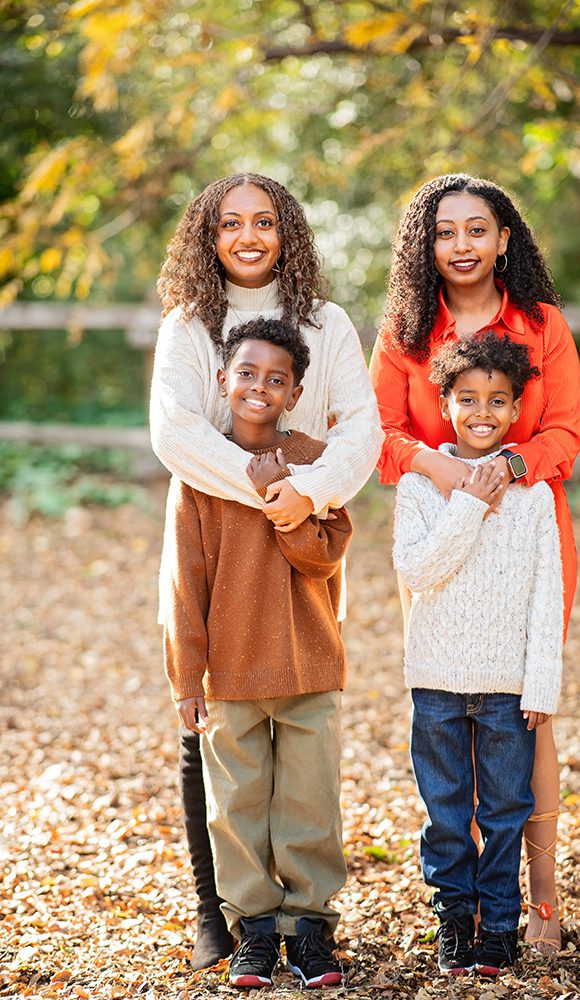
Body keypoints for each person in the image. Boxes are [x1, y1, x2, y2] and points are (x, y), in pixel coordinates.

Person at [151, 173, 383, 970]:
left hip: (300, 555)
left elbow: (360, 430)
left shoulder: (327, 323)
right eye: (229, 223)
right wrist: (261, 484)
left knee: (306, 779)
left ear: (288, 230)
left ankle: (307, 920)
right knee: (229, 769)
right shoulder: (190, 324)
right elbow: (175, 430)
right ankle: (235, 921)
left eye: (264, 221)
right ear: (207, 236)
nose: (247, 236)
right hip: (217, 538)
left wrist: (303, 493)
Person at [370, 173, 580, 953]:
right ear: (424, 245)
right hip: (437, 530)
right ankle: (462, 908)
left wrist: (508, 469)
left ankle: (541, 902)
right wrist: (445, 470)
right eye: (443, 232)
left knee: (528, 711)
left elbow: (563, 431)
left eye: (475, 230)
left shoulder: (540, 324)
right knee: (446, 714)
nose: (459, 245)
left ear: (502, 239)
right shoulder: (401, 330)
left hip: (526, 530)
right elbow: (382, 436)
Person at [163, 317, 352, 989]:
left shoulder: (315, 459)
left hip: (310, 663)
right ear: (223, 381)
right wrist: (187, 678)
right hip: (232, 670)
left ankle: (308, 928)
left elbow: (324, 558)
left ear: (294, 392)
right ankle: (254, 930)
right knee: (236, 807)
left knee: (309, 803)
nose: (258, 388)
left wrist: (287, 503)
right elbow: (184, 585)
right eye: (246, 374)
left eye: (276, 380)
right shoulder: (198, 469)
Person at [393, 331, 563, 976]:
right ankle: (453, 916)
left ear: (517, 408)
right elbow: (419, 570)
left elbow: (548, 593)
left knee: (503, 810)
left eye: (497, 400)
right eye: (468, 399)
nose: (483, 412)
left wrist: (541, 684)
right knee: (445, 810)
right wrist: (467, 502)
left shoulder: (536, 496)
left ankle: (498, 925)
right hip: (435, 677)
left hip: (507, 685)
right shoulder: (420, 488)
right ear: (445, 402)